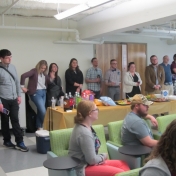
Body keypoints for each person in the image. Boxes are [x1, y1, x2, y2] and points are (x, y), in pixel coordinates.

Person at [69, 100, 130, 176]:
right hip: (83, 167)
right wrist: (103, 156)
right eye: (96, 109)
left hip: (90, 162)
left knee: (123, 164)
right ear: (89, 113)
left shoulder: (86, 126)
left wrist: (100, 158)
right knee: (119, 172)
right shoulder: (84, 133)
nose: (98, 111)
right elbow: (92, 160)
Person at [0, 49, 28, 152]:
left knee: (15, 119)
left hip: (13, 99)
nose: (9, 59)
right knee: (5, 120)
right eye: (7, 57)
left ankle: (20, 142)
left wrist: (19, 95)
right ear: (1, 58)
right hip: (3, 100)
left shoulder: (13, 67)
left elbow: (17, 82)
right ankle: (7, 140)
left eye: (10, 57)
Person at [20, 60, 48, 130]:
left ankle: (39, 126)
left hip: (43, 92)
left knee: (40, 110)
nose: (43, 70)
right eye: (42, 68)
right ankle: (44, 125)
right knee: (43, 111)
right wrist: (22, 87)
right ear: (39, 66)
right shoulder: (34, 71)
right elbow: (23, 76)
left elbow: (48, 82)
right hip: (36, 93)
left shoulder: (44, 74)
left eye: (44, 68)